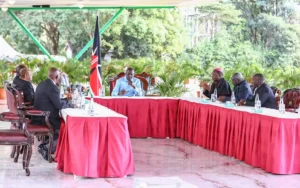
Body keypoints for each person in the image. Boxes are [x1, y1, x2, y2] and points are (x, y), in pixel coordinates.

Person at [31, 67, 72, 160]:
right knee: (66, 130)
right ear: (56, 76)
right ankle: (45, 147)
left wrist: (66, 100)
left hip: (38, 116)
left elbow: (54, 100)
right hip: (46, 118)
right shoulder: (53, 87)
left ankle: (46, 145)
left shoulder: (42, 84)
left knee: (63, 125)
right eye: (60, 77)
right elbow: (59, 105)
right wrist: (71, 104)